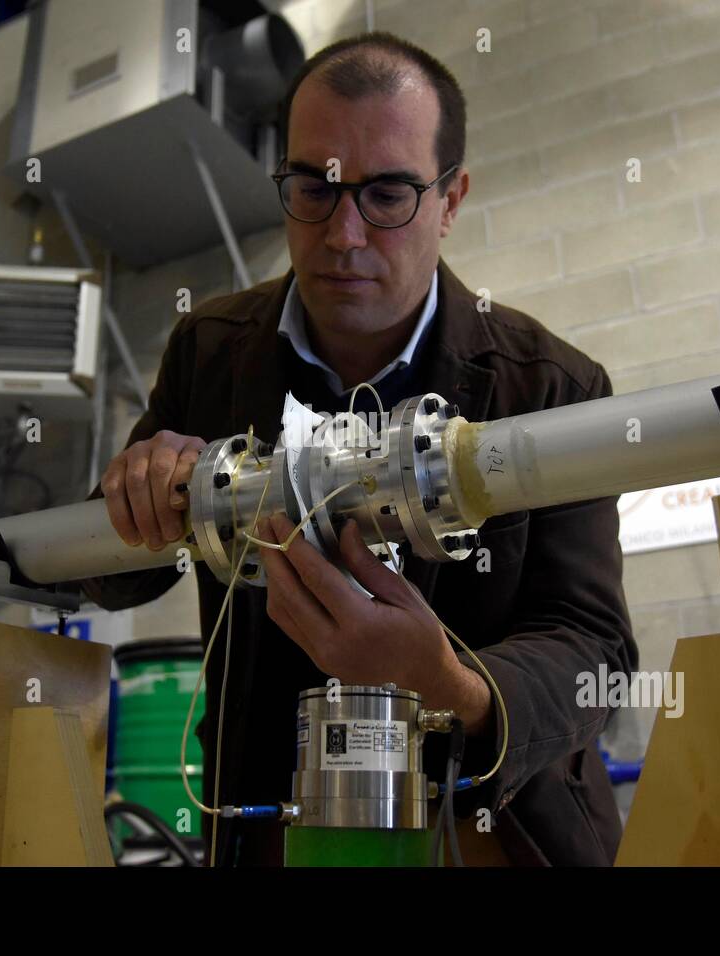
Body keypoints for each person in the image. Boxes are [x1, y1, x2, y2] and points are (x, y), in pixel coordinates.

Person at [82, 32, 636, 866]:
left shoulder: (550, 386)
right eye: (314, 187)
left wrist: (451, 685)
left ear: (451, 200)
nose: (343, 235)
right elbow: (116, 566)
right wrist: (131, 493)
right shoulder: (208, 351)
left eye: (387, 195)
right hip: (270, 827)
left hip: (499, 834)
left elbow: (596, 647)